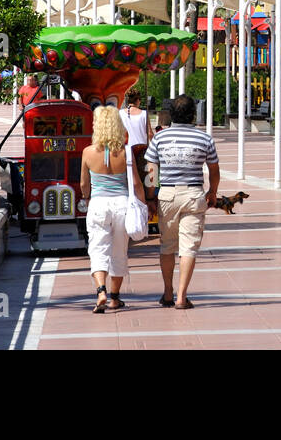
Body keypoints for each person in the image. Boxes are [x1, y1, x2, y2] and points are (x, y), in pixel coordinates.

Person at [144, 94, 219, 310]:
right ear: (192, 115)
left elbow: (151, 171)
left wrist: (150, 197)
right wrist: (213, 192)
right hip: (194, 195)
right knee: (189, 248)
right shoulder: (204, 139)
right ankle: (181, 296)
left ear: (171, 114)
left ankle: (168, 292)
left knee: (167, 246)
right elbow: (214, 169)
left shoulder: (160, 138)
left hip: (166, 195)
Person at [80, 106, 145, 313]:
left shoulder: (88, 152)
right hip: (121, 204)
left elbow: (83, 184)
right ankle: (115, 298)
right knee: (119, 251)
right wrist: (144, 205)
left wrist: (87, 198)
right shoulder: (126, 152)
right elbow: (135, 183)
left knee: (98, 248)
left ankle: (101, 291)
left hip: (98, 204)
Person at [119, 89, 153, 208]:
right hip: (142, 151)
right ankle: (147, 200)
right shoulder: (144, 114)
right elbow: (149, 134)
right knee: (148, 179)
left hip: (126, 151)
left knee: (128, 180)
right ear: (138, 100)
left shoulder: (120, 113)